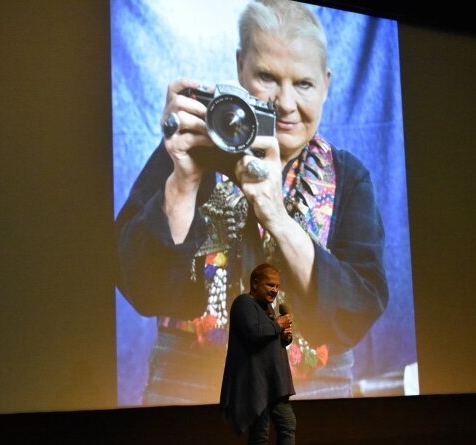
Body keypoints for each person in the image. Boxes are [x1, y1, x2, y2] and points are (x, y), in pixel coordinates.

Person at [115, 0, 388, 405]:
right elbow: (140, 286)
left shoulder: (348, 176)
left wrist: (277, 215)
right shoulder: (190, 152)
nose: (286, 102)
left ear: (327, 84)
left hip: (315, 390)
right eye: (267, 77)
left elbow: (360, 307)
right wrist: (182, 181)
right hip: (188, 387)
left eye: (304, 84)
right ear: (240, 67)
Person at [220, 263, 315, 445]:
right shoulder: (243, 304)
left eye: (277, 286)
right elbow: (253, 333)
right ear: (254, 283)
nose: (274, 290)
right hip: (256, 384)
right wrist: (278, 326)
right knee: (260, 434)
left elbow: (268, 339)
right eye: (269, 285)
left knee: (287, 424)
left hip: (275, 384)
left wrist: (284, 338)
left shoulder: (269, 308)